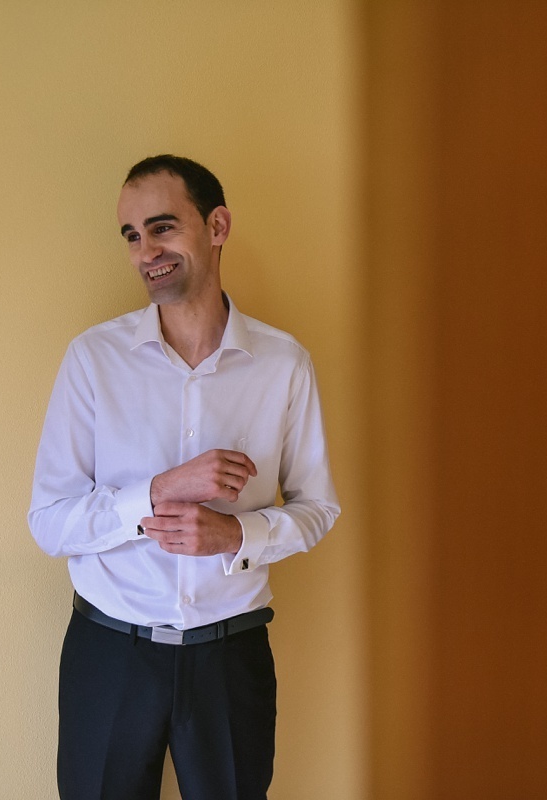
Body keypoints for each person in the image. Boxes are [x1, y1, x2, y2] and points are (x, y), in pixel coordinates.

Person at [28, 154, 340, 799]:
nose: (146, 252)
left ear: (217, 226)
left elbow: (318, 508)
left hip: (230, 657)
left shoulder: (284, 364)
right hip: (110, 652)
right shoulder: (93, 360)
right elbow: (50, 524)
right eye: (132, 235)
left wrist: (237, 536)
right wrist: (162, 489)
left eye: (163, 227)